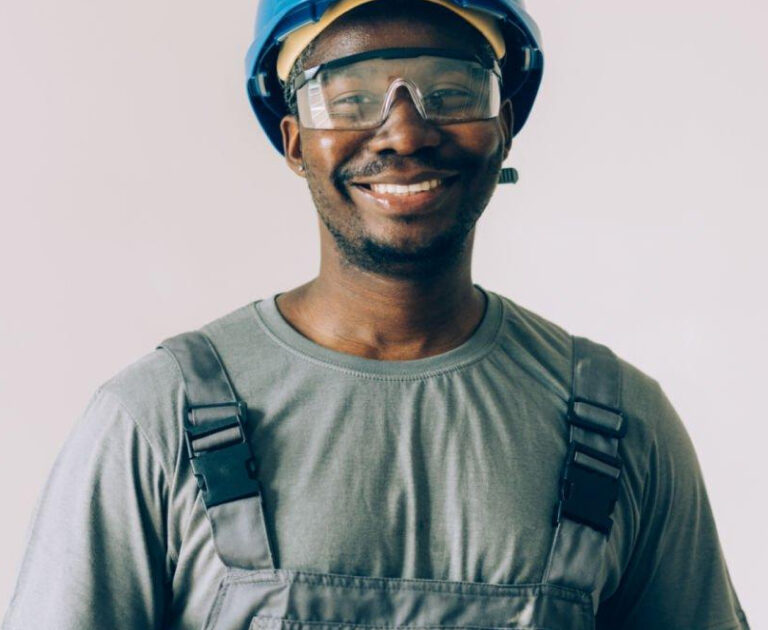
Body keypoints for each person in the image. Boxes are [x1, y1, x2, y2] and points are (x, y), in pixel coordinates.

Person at [2, 1, 751, 629]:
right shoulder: (156, 420)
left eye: (449, 92)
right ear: (295, 141)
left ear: (503, 127)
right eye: (350, 96)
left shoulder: (621, 425)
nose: (404, 132)